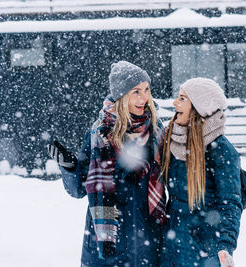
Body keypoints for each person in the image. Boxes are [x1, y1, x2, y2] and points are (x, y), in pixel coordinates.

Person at [47, 60, 167, 267]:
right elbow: (78, 189)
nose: (144, 98)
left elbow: (176, 177)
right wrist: (69, 167)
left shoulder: (156, 131)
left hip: (148, 242)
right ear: (122, 96)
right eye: (136, 92)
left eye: (146, 90)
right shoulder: (99, 134)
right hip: (107, 244)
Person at [161, 78, 242, 267]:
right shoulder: (170, 141)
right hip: (172, 248)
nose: (175, 103)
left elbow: (230, 202)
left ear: (199, 107)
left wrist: (225, 245)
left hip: (205, 251)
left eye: (182, 98)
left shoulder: (221, 150)